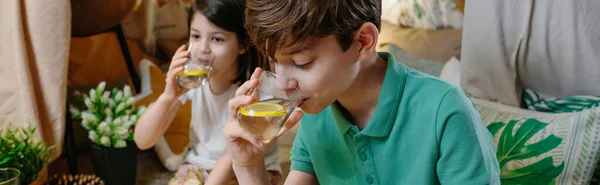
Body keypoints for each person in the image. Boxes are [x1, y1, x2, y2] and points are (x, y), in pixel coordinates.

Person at [223, 0, 501, 184]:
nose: (282, 84)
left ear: (363, 42)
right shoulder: (315, 112)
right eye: (274, 61)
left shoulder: (444, 111)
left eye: (301, 63)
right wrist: (248, 166)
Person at [133, 0, 280, 184]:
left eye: (217, 39)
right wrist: (168, 96)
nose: (202, 49)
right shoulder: (194, 81)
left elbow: (230, 158)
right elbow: (142, 140)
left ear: (242, 45)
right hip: (198, 166)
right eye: (195, 36)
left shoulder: (255, 93)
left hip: (249, 169)